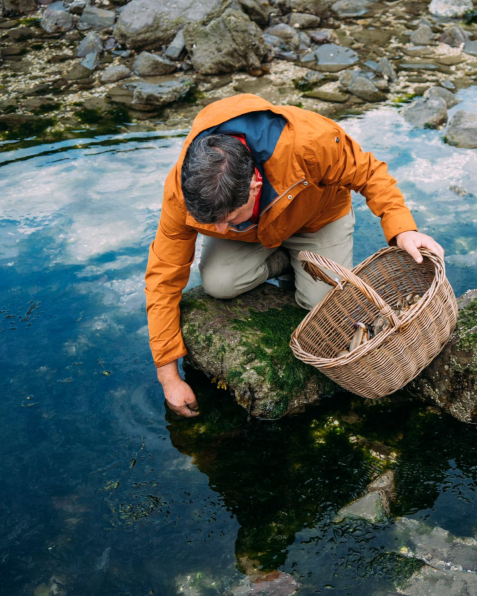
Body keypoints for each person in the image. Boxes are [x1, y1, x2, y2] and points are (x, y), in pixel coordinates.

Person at [145, 94, 444, 417]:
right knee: (218, 283)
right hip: (253, 235)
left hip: (316, 217)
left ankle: (302, 261)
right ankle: (289, 261)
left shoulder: (310, 141)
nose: (218, 228)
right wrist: (168, 377)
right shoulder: (184, 190)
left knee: (323, 307)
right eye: (211, 223)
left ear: (255, 184)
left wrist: (403, 229)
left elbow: (370, 173)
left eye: (228, 218)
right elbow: (163, 275)